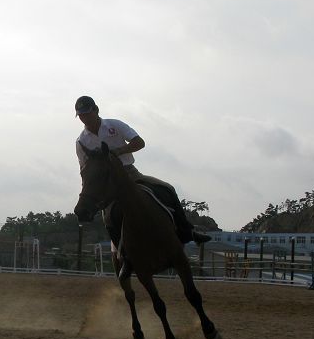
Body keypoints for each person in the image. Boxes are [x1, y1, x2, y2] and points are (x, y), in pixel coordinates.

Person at [74, 95, 211, 246]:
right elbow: (84, 170)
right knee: (108, 217)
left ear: (96, 110)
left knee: (168, 188)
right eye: (81, 115)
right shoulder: (81, 141)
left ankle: (187, 231)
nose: (84, 118)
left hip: (129, 173)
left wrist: (118, 151)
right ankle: (120, 251)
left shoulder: (115, 125)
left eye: (87, 113)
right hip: (105, 183)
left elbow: (139, 142)